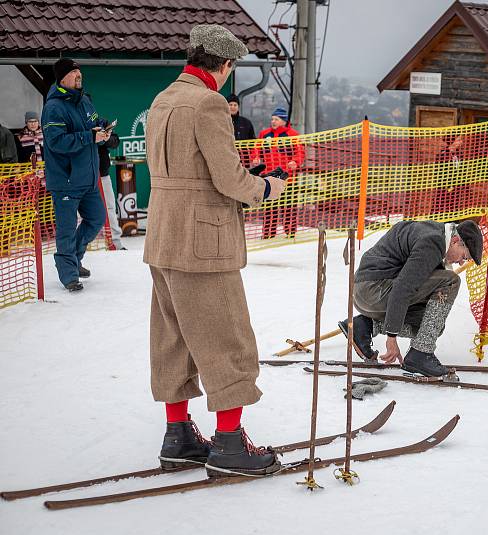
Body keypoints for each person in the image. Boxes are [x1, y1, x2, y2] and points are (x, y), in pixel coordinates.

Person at [144, 24, 287, 478]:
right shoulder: (208, 103)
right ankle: (228, 445)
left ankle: (178, 436)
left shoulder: (165, 97)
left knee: (173, 339)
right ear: (224, 65)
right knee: (227, 338)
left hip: (164, 236)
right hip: (204, 243)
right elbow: (229, 180)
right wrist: (267, 187)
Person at [338, 220, 483, 377]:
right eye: (464, 256)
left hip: (367, 291)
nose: (461, 261)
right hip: (373, 290)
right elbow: (404, 287)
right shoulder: (432, 243)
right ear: (455, 241)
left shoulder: (434, 233)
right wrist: (391, 338)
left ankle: (366, 325)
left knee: (430, 325)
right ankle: (421, 353)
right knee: (451, 280)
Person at [41, 58, 110, 292]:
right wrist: (89, 137)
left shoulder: (84, 101)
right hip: (66, 180)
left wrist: (105, 129)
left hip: (87, 178)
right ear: (63, 78)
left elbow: (94, 122)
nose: (79, 76)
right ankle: (69, 274)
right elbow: (56, 141)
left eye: (80, 72)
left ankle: (73, 258)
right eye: (74, 73)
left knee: (96, 219)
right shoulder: (53, 108)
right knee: (67, 229)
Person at [256, 108, 304, 238]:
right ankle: (268, 234)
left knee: (288, 207)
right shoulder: (264, 134)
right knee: (269, 208)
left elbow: (300, 152)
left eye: (276, 119)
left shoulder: (293, 135)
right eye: (272, 119)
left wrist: (295, 162)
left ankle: (290, 233)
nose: (273, 121)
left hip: (287, 179)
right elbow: (256, 149)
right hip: (269, 178)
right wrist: (255, 158)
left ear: (284, 121)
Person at [97, 125, 125, 250]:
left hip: (103, 175)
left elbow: (115, 141)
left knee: (109, 208)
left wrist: (105, 138)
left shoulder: (101, 123)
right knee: (83, 211)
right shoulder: (76, 124)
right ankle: (87, 244)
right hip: (83, 177)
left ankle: (115, 242)